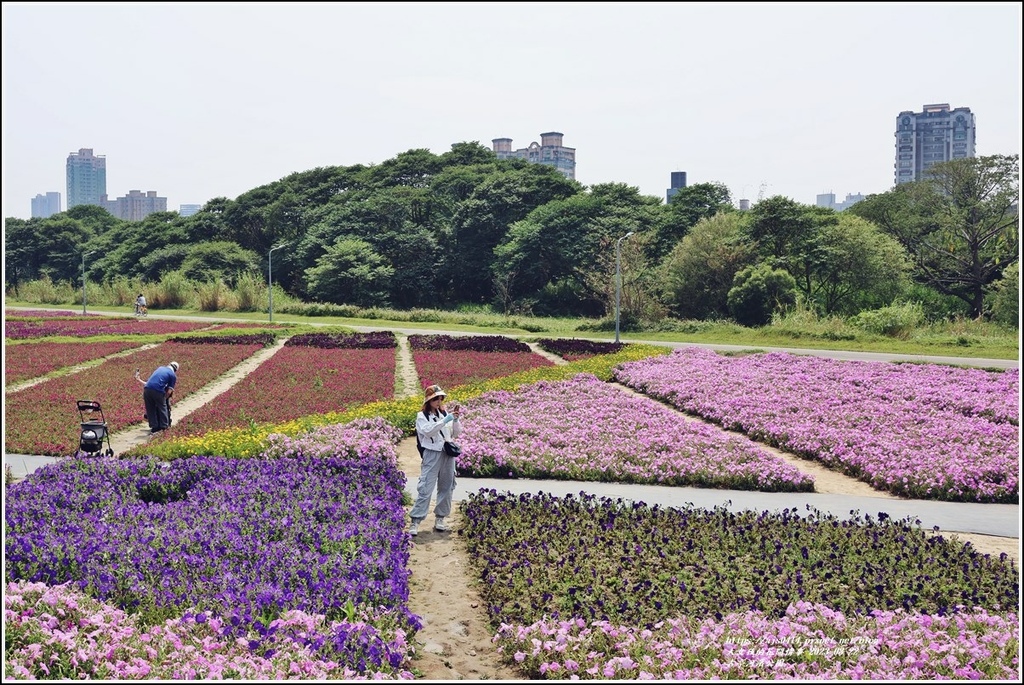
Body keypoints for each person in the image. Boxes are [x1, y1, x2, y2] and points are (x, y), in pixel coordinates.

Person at [409, 384, 462, 536]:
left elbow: (455, 433)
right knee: (426, 486)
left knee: (447, 486)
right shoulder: (422, 416)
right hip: (432, 454)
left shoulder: (444, 413)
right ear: (428, 401)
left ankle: (440, 518)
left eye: (440, 398)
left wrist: (455, 420)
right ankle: (416, 520)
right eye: (435, 399)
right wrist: (445, 420)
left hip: (447, 453)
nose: (439, 401)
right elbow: (429, 432)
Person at [136, 361, 178, 433]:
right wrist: (164, 398)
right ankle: (164, 426)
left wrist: (139, 380)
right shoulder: (172, 375)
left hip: (147, 389)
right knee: (162, 408)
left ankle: (154, 427)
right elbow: (169, 391)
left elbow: (151, 382)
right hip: (158, 390)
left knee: (150, 408)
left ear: (168, 365)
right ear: (175, 370)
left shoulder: (160, 368)